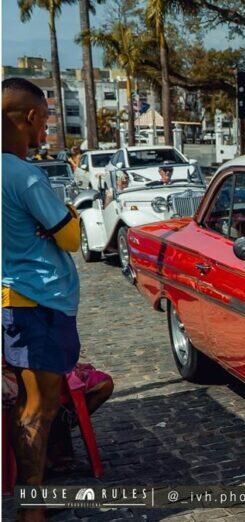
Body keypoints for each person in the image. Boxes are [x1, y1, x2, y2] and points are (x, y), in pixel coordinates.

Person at [2, 78, 82, 520]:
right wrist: (67, 215)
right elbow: (70, 237)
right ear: (30, 117)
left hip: (18, 302)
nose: (46, 129)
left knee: (32, 403)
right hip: (38, 303)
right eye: (46, 119)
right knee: (40, 405)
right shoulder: (23, 174)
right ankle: (31, 506)